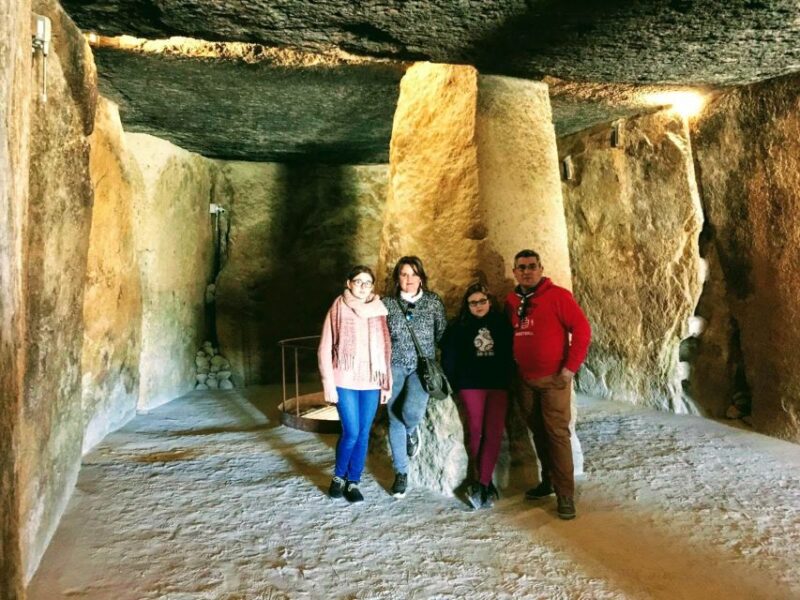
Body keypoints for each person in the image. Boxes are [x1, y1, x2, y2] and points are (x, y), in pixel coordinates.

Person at [505, 249, 591, 520]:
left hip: (554, 379)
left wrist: (570, 369)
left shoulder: (558, 296)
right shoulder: (512, 300)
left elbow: (582, 330)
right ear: (514, 272)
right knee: (539, 433)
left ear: (541, 269)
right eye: (521, 267)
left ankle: (565, 495)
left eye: (532, 266)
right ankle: (549, 481)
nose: (527, 271)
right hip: (526, 380)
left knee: (557, 435)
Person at [318, 265, 392, 503]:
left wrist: (386, 384)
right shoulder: (338, 307)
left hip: (371, 380)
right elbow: (324, 348)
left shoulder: (378, 309)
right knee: (351, 431)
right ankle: (338, 477)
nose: (362, 286)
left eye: (367, 282)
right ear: (349, 283)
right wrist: (328, 384)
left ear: (372, 286)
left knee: (363, 433)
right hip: (345, 379)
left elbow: (386, 349)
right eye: (358, 281)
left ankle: (353, 481)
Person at [441, 283, 513, 509]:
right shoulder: (458, 327)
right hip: (471, 385)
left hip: (498, 385)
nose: (478, 306)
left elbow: (510, 354)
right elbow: (449, 358)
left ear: (490, 302)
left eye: (482, 301)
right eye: (473, 303)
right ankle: (480, 480)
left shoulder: (502, 324)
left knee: (494, 433)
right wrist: (456, 383)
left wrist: (509, 379)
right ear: (467, 305)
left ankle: (482, 482)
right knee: (475, 431)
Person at [383, 256, 447, 498]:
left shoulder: (433, 302)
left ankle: (411, 431)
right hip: (395, 365)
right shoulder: (388, 304)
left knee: (411, 412)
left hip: (422, 367)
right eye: (403, 274)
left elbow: (441, 333)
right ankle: (401, 473)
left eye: (413, 274)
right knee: (393, 417)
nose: (408, 279)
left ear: (421, 277)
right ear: (397, 278)